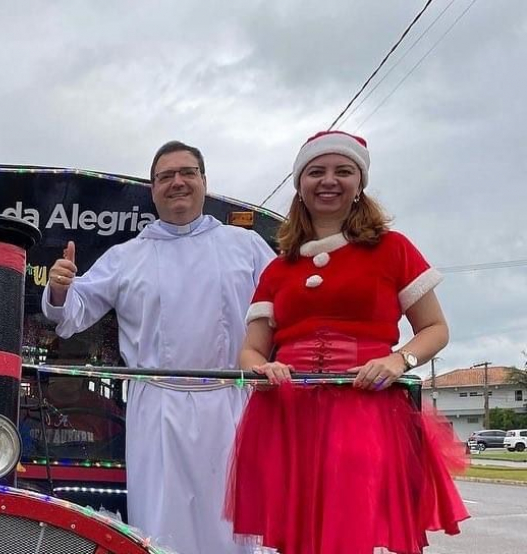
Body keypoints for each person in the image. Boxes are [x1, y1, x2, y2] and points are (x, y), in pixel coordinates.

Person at [225, 130, 468, 554]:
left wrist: (399, 360)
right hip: (289, 414)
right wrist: (261, 368)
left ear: (360, 183)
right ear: (300, 185)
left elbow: (435, 329)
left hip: (366, 408)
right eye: (315, 171)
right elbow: (251, 350)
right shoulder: (279, 267)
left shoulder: (393, 248)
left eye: (343, 171)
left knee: (348, 529)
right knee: (296, 539)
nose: (329, 180)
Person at [42, 141, 275, 553]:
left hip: (232, 403)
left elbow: (286, 307)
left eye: (187, 173)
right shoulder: (127, 256)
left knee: (236, 525)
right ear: (153, 189)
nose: (177, 183)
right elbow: (74, 312)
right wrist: (60, 287)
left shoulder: (247, 246)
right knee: (162, 525)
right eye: (166, 176)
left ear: (204, 181)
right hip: (157, 407)